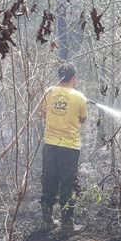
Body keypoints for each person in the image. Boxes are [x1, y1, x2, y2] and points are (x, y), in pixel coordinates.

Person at [41, 63, 88, 232]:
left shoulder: (48, 92)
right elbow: (82, 119)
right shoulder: (80, 97)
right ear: (73, 77)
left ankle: (47, 220)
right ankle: (67, 224)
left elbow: (43, 113)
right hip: (70, 147)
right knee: (67, 183)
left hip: (50, 145)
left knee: (49, 180)